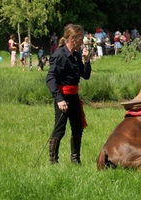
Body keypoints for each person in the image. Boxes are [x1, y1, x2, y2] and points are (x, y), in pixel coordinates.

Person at [46, 24, 91, 164]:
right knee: (60, 130)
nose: (82, 41)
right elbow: (50, 78)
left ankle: (75, 160)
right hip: (63, 98)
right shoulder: (59, 55)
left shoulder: (77, 56)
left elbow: (85, 75)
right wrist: (59, 99)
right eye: (80, 38)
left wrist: (87, 60)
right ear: (72, 38)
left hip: (74, 98)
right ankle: (53, 161)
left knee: (77, 128)